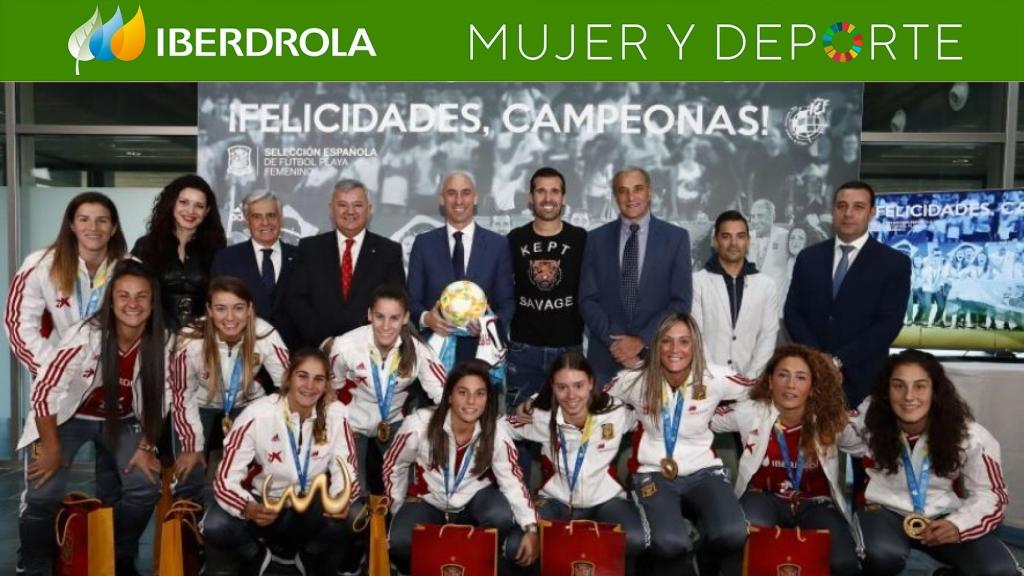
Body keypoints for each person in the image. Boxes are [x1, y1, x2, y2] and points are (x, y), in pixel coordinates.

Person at [17, 259, 167, 576]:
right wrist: (51, 446)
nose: (133, 304)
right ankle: (35, 566)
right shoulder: (84, 335)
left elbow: (163, 398)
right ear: (110, 301)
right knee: (42, 493)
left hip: (122, 419)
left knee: (145, 487)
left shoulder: (163, 341)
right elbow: (43, 391)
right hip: (64, 419)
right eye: (124, 295)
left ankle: (113, 554)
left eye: (142, 296)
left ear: (153, 303)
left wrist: (147, 446)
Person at [848, 349, 1020, 576]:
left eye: (920, 386)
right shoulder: (870, 419)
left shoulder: (969, 436)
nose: (909, 396)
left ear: (935, 391)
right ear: (886, 391)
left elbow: (992, 494)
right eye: (898, 386)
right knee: (880, 555)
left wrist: (958, 525)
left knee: (1000, 571)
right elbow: (836, 431)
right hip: (883, 511)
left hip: (943, 515)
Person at [604, 312, 751, 574]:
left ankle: (705, 557)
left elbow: (760, 391)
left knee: (733, 533)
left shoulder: (714, 377)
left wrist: (721, 416)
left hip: (703, 471)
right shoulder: (634, 379)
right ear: (656, 344)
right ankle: (661, 555)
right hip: (654, 472)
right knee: (670, 543)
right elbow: (595, 402)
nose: (675, 349)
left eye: (684, 341)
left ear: (695, 345)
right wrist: (629, 419)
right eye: (667, 341)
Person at [204, 348, 366, 575]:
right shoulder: (257, 414)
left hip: (309, 507)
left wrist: (342, 498)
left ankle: (309, 556)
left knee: (353, 513)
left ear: (326, 385)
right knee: (215, 525)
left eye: (318, 379)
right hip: (264, 503)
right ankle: (257, 556)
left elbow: (347, 470)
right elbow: (224, 480)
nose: (310, 386)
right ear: (288, 377)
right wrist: (247, 507)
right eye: (302, 376)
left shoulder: (336, 414)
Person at [711, 344, 859, 576]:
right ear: (770, 382)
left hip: (816, 502)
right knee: (742, 542)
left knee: (844, 563)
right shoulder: (750, 412)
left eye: (801, 378)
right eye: (783, 375)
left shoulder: (830, 420)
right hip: (763, 497)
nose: (790, 385)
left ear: (812, 387)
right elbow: (700, 418)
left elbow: (867, 443)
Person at [383, 360, 539, 576]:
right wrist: (398, 505)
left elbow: (513, 482)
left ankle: (478, 561)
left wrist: (532, 528)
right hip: (430, 502)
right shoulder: (420, 425)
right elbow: (394, 464)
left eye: (479, 394)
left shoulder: (495, 432)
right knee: (399, 542)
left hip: (471, 504)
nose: (471, 401)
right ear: (449, 396)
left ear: (488, 398)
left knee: (500, 516)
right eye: (462, 392)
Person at [506, 351, 645, 575]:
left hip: (605, 500)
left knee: (635, 538)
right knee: (516, 546)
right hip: (556, 500)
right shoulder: (541, 417)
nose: (571, 395)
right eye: (562, 387)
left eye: (578, 386)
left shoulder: (615, 412)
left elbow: (648, 415)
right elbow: (501, 426)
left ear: (591, 383)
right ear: (552, 387)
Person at [784, 180, 912, 406]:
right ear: (833, 210)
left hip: (863, 381)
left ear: (872, 212)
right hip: (809, 378)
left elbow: (889, 324)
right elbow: (793, 313)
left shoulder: (894, 263)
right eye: (842, 206)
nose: (848, 213)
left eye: (858, 207)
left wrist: (838, 361)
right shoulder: (808, 257)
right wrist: (819, 360)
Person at [168, 276, 291, 502]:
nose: (230, 317)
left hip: (248, 402)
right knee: (190, 468)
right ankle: (187, 514)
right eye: (221, 309)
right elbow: (181, 393)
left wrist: (274, 424)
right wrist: (192, 445)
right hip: (199, 402)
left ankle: (248, 511)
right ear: (209, 310)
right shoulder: (189, 338)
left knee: (255, 467)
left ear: (249, 309)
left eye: (238, 308)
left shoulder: (265, 334)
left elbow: (287, 384)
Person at [322, 284, 447, 494]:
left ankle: (397, 511)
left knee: (406, 490)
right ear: (370, 314)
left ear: (405, 318)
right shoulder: (345, 346)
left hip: (395, 421)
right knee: (350, 494)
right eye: (380, 317)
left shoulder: (419, 351)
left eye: (394, 318)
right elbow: (330, 388)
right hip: (353, 422)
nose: (386, 326)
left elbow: (445, 394)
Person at [579, 166, 692, 386]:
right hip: (605, 359)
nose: (631, 197)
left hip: (657, 357)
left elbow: (681, 301)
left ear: (649, 192)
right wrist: (617, 344)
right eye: (623, 191)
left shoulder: (676, 238)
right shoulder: (595, 239)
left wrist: (642, 340)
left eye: (638, 189)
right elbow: (587, 299)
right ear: (615, 197)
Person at [6, 191, 128, 379]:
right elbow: (18, 322)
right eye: (84, 219)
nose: (93, 227)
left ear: (113, 228)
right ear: (72, 226)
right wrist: (52, 368)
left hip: (113, 377)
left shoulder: (130, 268)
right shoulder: (40, 264)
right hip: (57, 377)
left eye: (102, 221)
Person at [407, 171, 515, 363]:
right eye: (451, 193)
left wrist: (486, 325)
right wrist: (426, 318)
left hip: (482, 358)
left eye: (465, 193)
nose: (459, 201)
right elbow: (411, 299)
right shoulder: (423, 244)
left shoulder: (498, 245)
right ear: (441, 199)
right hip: (432, 357)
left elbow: (506, 304)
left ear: (475, 198)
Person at [505, 167, 587, 411]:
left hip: (568, 347)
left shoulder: (580, 239)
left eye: (554, 191)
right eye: (541, 191)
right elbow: (502, 291)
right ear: (531, 197)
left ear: (564, 197)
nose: (548, 198)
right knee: (519, 422)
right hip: (523, 349)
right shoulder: (514, 239)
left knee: (569, 423)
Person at [287, 179, 405, 348]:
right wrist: (324, 341)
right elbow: (297, 301)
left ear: (369, 209)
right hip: (318, 351)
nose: (350, 211)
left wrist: (360, 345)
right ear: (331, 209)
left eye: (358, 205)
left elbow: (395, 303)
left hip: (369, 350)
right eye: (342, 205)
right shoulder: (310, 248)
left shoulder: (389, 251)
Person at [132, 174, 227, 331]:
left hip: (204, 335)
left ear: (207, 211)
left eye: (199, 206)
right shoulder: (146, 246)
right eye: (183, 202)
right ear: (171, 204)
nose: (191, 211)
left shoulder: (217, 249)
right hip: (155, 334)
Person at [691, 210, 780, 378]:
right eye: (726, 236)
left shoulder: (767, 286)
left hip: (752, 383)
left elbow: (767, 338)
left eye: (740, 236)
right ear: (715, 241)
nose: (734, 243)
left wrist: (748, 381)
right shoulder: (697, 282)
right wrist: (716, 377)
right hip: (708, 379)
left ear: (748, 241)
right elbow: (695, 335)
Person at [211, 190, 299, 348]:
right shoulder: (226, 259)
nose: (265, 223)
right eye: (257, 217)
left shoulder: (301, 257)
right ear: (246, 222)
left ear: (280, 219)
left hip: (293, 352)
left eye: (271, 215)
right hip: (243, 350)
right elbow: (218, 308)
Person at [749, 198, 791, 290]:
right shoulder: (745, 238)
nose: (755, 221)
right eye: (753, 216)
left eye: (760, 216)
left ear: (772, 217)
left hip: (777, 296)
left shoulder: (785, 236)